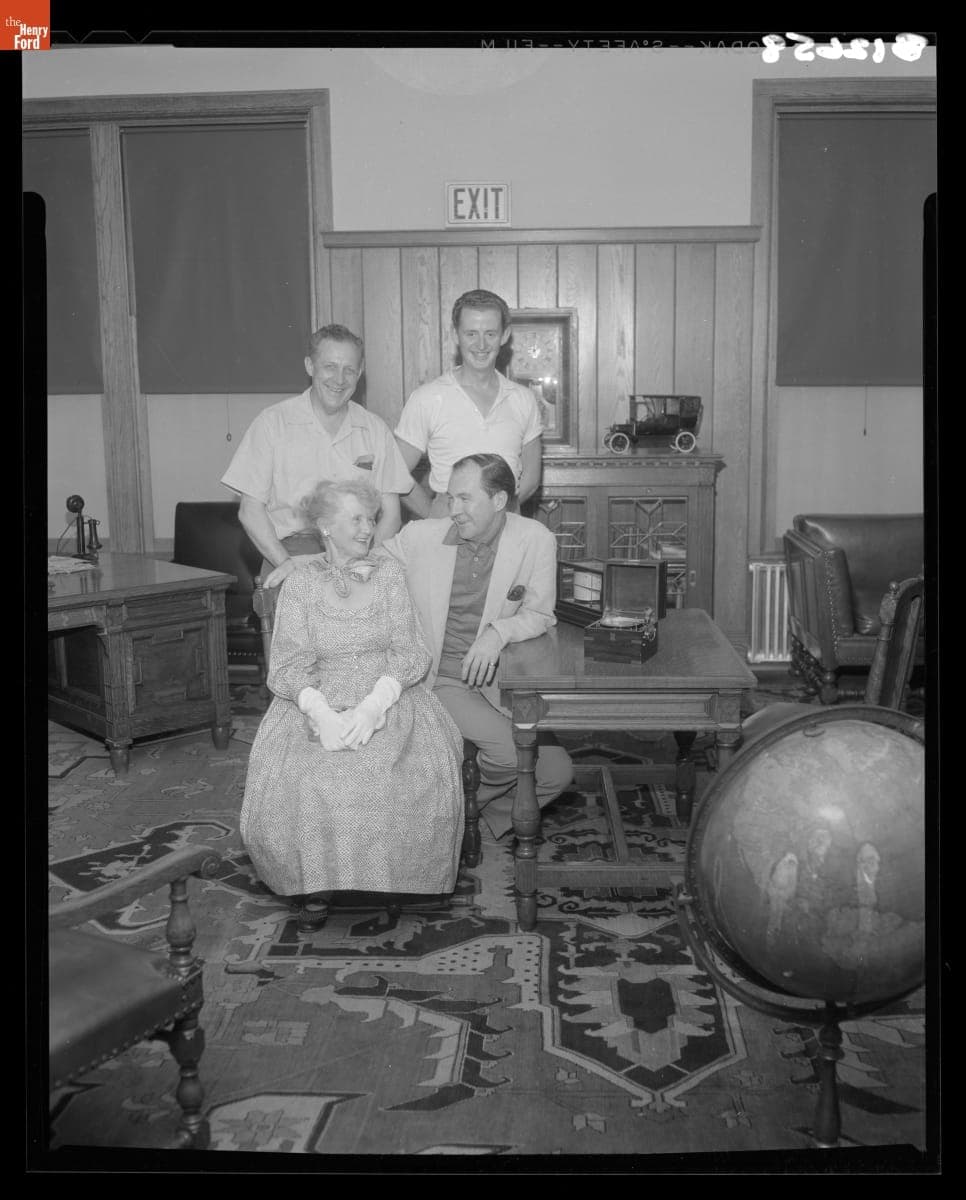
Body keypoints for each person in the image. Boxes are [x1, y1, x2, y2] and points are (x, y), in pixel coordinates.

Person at [239, 477, 465, 932]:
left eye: (371, 518)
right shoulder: (300, 582)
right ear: (325, 526)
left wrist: (374, 705)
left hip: (389, 694)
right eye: (356, 519)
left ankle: (390, 876)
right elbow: (286, 664)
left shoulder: (390, 575)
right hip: (315, 698)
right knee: (312, 773)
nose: (367, 529)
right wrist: (320, 712)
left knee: (385, 769)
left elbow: (411, 652)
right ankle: (315, 885)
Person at [380, 452, 573, 839]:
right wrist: (296, 565)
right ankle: (446, 812)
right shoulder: (420, 537)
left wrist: (497, 633)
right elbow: (361, 564)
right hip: (443, 680)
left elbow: (540, 615)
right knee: (508, 754)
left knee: (558, 772)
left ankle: (463, 809)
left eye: (465, 499)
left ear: (499, 500)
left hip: (503, 680)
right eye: (451, 497)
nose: (454, 509)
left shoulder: (535, 540)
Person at [221, 324, 414, 588]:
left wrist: (366, 563)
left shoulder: (375, 429)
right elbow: (250, 511)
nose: (339, 379)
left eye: (349, 370)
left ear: (360, 372)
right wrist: (287, 564)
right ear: (310, 366)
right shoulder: (272, 423)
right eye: (330, 367)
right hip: (290, 553)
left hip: (358, 555)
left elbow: (391, 514)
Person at [394, 290, 544, 518]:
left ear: (505, 335)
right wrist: (434, 519)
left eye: (490, 334)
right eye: (471, 334)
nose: (481, 344)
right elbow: (395, 472)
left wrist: (492, 514)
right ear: (456, 335)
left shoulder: (524, 399)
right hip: (446, 533)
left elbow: (531, 479)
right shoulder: (427, 398)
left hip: (507, 529)